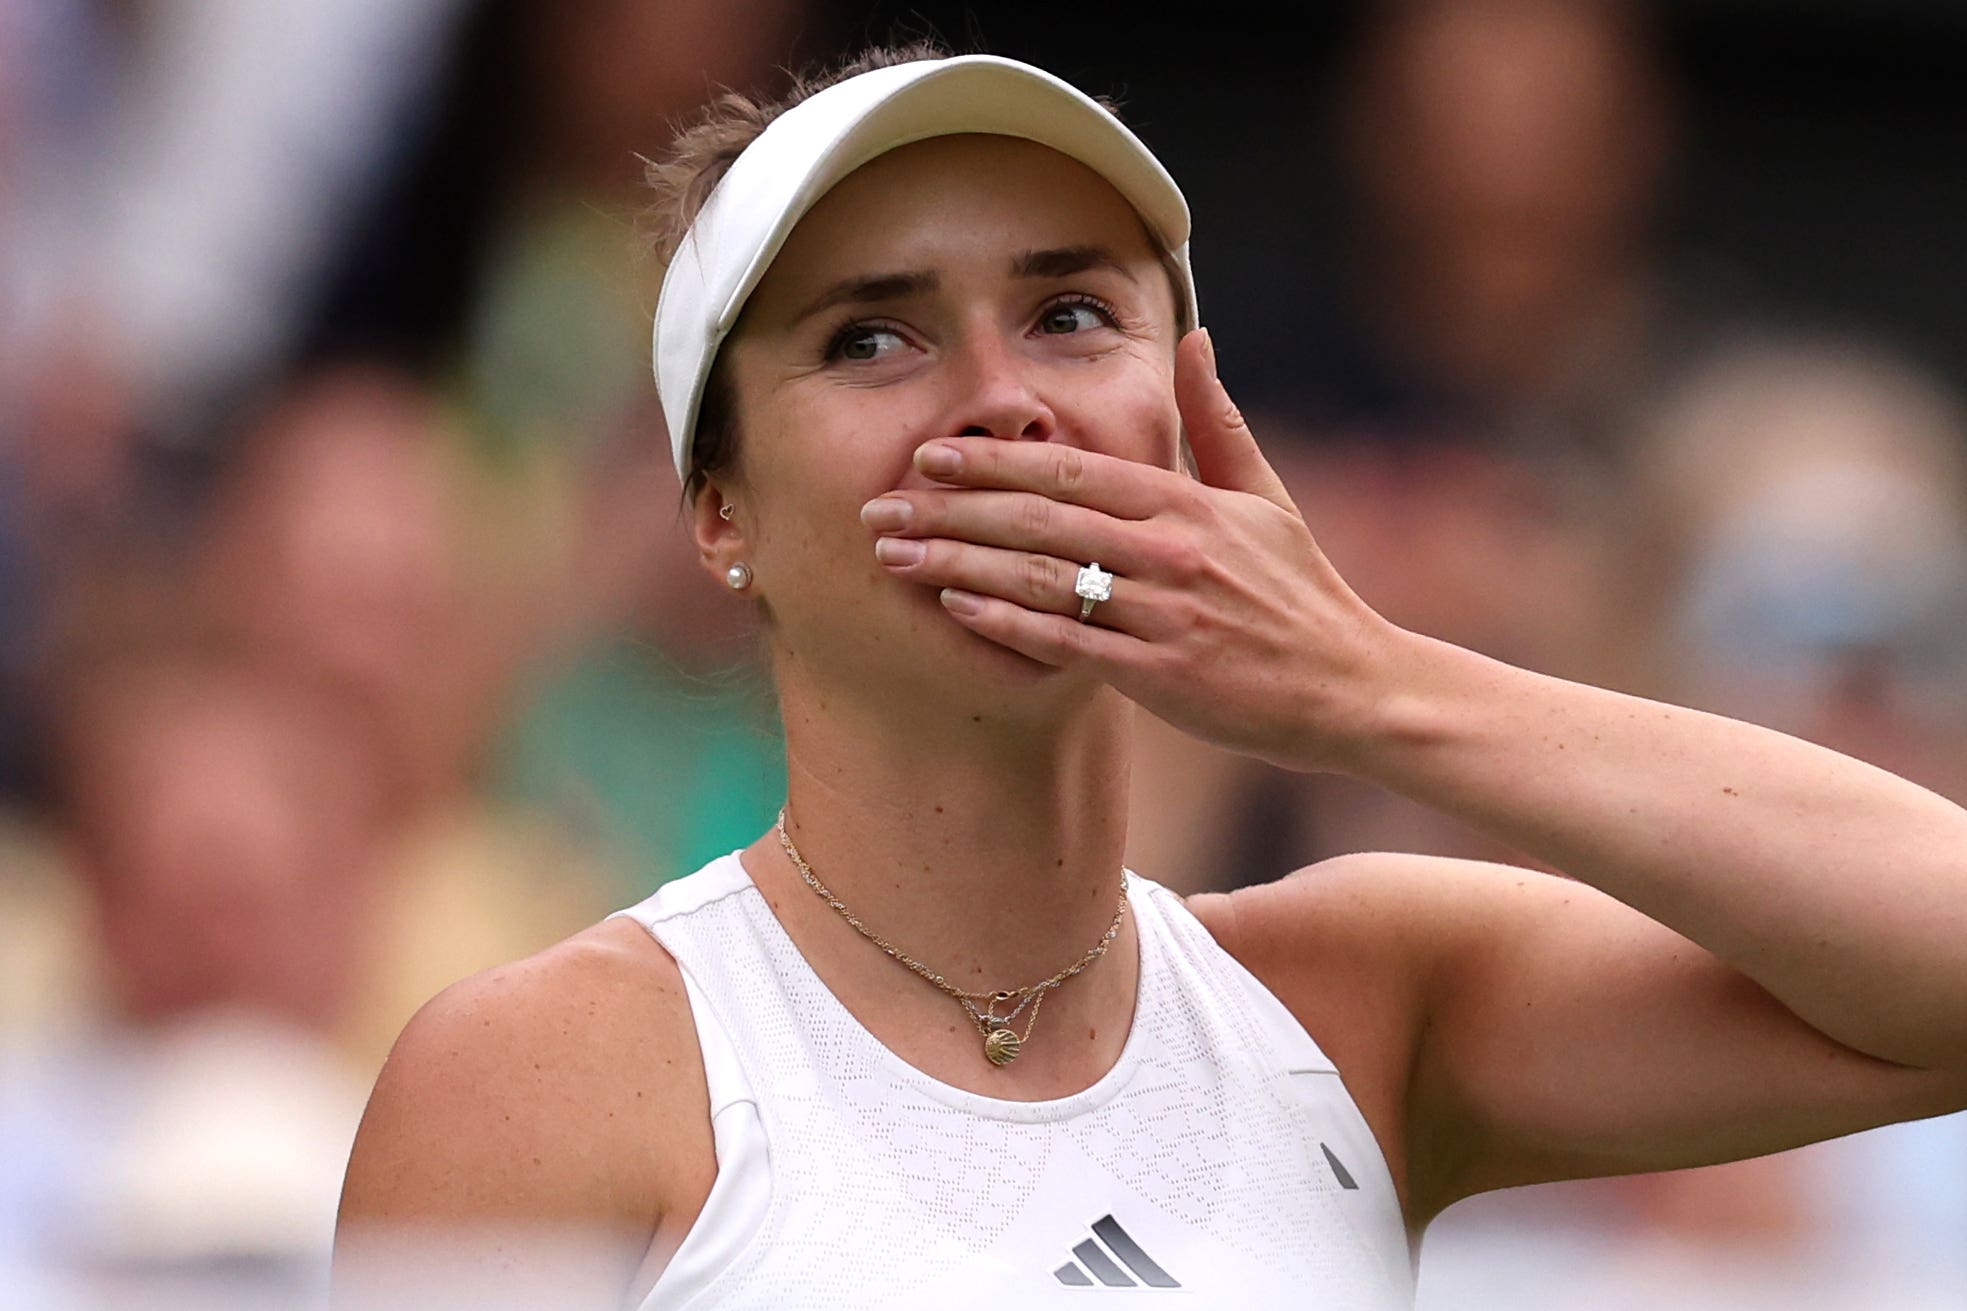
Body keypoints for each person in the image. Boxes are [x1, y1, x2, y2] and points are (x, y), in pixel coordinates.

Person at [331, 46, 1967, 1310]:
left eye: (1067, 314)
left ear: (1183, 430)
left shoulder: (1360, 998)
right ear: (720, 513)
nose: (1000, 406)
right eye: (870, 339)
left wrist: (1368, 684)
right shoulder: (542, 1077)